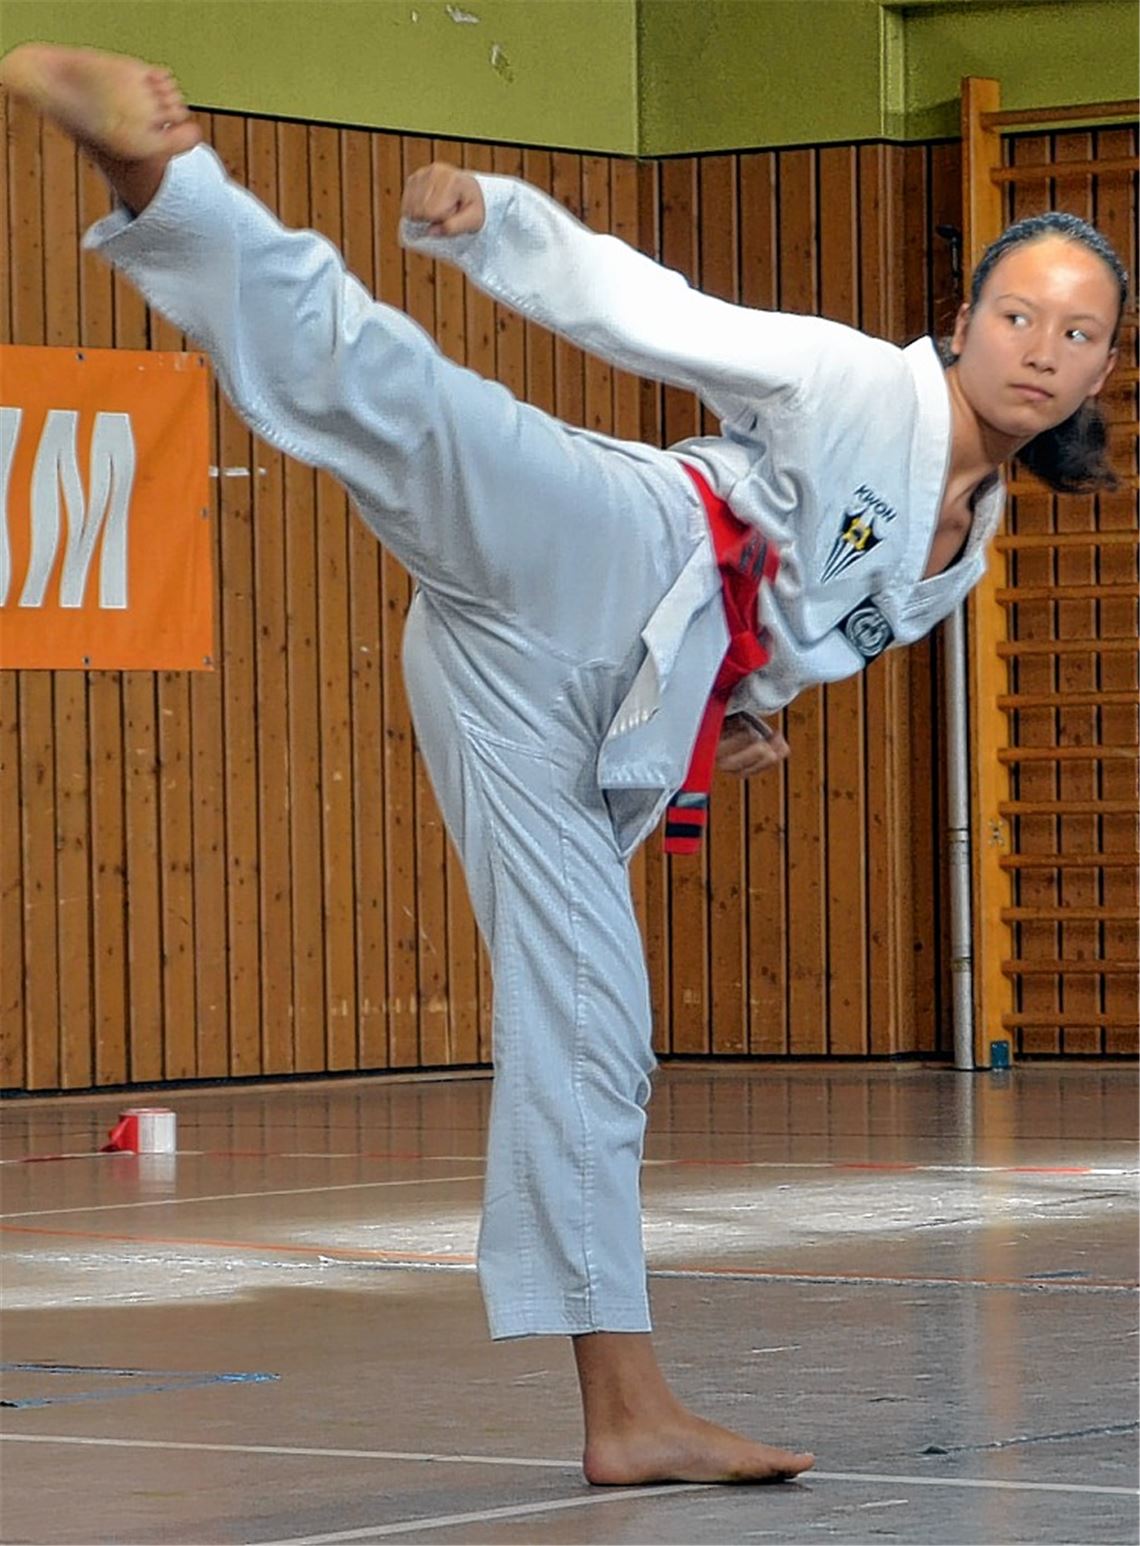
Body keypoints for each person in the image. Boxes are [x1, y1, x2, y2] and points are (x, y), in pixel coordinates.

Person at [1, 42, 1125, 1488]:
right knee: (400, 399)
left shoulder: (965, 550)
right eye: (1020, 313)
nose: (1043, 348)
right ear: (961, 321)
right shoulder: (852, 383)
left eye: (1080, 333)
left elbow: (792, 626)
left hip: (576, 717)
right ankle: (154, 167)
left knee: (597, 1032)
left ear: (1105, 364)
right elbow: (662, 316)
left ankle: (627, 1410)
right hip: (612, 544)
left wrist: (739, 703)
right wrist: (501, 227)